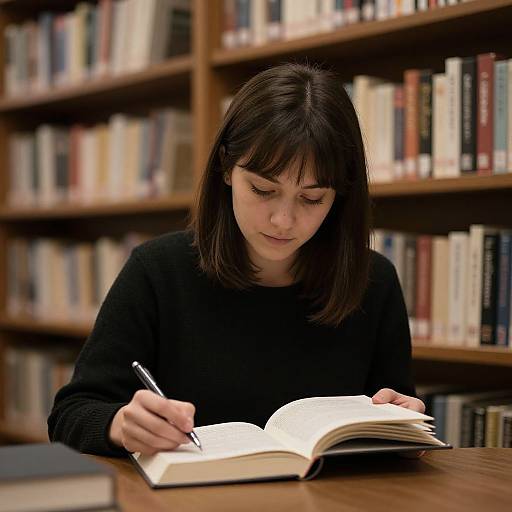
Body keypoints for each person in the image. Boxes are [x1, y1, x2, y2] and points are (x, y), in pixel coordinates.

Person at [48, 62, 425, 457]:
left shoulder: (374, 281)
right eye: (263, 190)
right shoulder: (158, 272)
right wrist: (120, 425)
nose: (283, 220)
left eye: (312, 198)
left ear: (340, 197)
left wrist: (405, 420)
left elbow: (401, 417)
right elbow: (70, 416)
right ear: (226, 169)